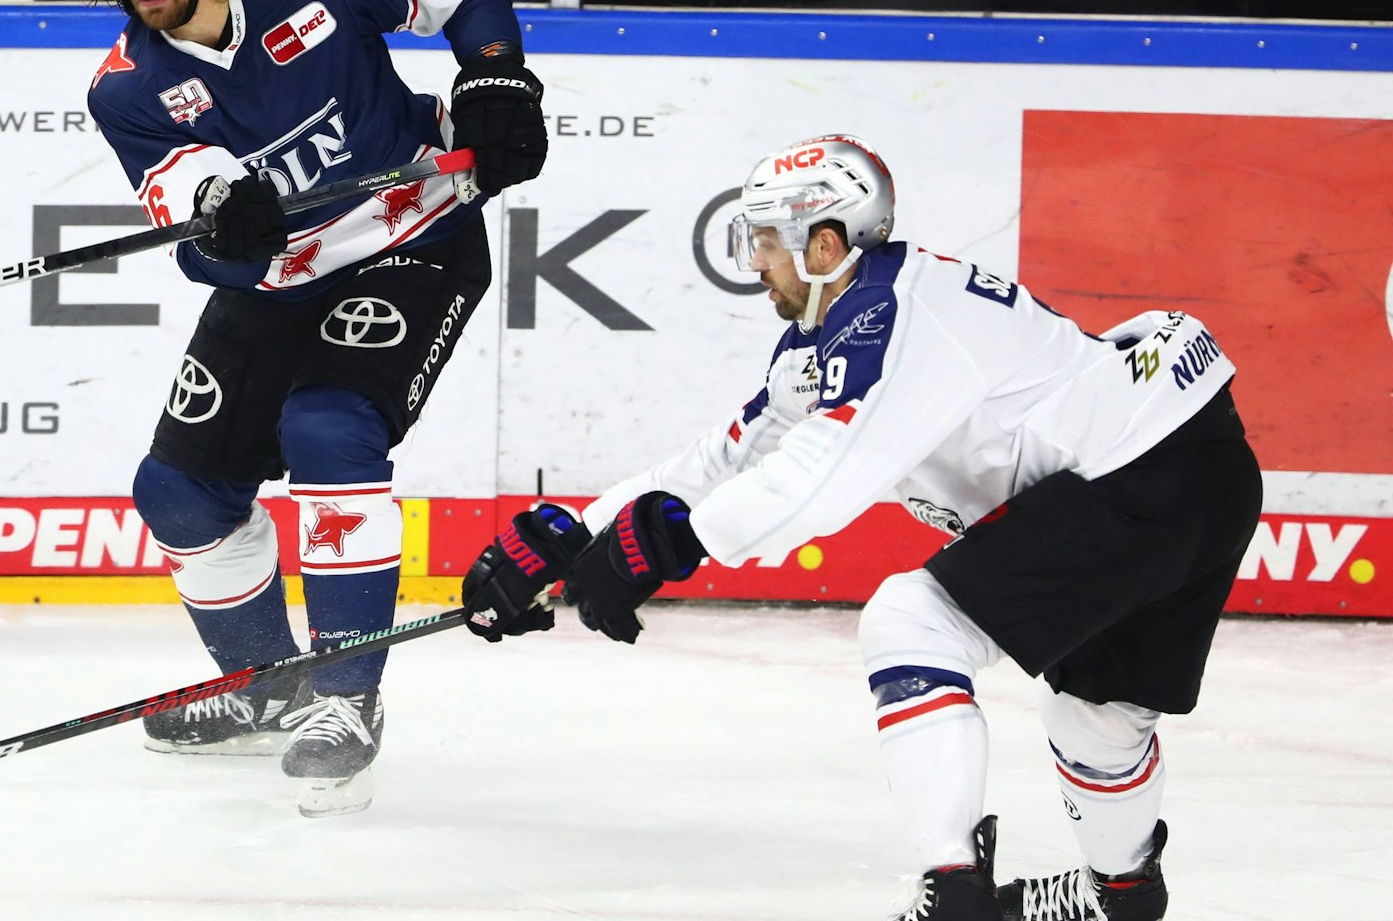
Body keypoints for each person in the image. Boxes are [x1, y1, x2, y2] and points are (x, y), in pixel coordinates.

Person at [462, 135, 1259, 919]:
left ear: (825, 244)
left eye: (766, 240)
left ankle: (952, 895)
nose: (754, 261)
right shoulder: (836, 333)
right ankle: (1122, 893)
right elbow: (728, 457)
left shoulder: (895, 312)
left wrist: (677, 542)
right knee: (1098, 713)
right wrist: (573, 534)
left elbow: (821, 481)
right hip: (1200, 465)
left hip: (1131, 474)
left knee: (912, 622)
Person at [83, 0, 547, 817]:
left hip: (415, 238)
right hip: (284, 279)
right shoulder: (125, 89)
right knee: (177, 491)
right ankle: (268, 686)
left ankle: (344, 696)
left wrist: (496, 79)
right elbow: (197, 233)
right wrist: (224, 217)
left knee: (329, 426)